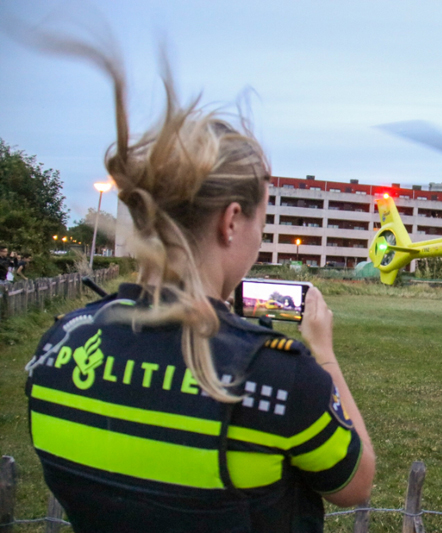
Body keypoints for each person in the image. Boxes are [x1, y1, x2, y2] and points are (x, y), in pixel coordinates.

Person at [24, 37, 374, 533]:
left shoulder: (58, 346)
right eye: (261, 221)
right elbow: (355, 485)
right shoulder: (277, 377)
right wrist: (324, 353)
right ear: (231, 222)